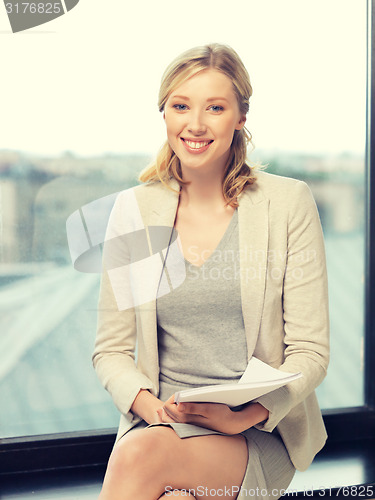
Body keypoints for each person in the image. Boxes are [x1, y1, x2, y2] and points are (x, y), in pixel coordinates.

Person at [93, 43, 330, 500]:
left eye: (215, 108)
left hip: (257, 430)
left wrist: (245, 414)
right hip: (160, 423)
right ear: (164, 114)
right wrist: (152, 409)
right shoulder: (134, 209)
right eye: (181, 106)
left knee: (140, 459)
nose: (195, 124)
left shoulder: (287, 203)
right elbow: (111, 350)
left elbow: (310, 352)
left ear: (240, 117)